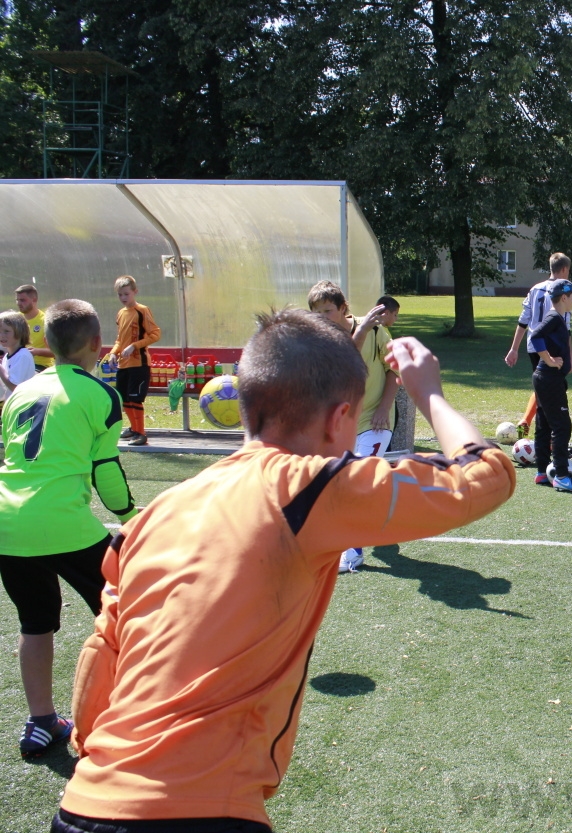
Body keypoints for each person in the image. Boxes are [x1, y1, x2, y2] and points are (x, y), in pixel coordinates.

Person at [54, 310, 514, 833]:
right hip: (198, 810)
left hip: (84, 803)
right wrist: (428, 392)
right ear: (340, 417)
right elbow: (487, 476)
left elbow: (103, 649)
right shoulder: (311, 487)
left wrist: (91, 755)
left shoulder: (160, 510)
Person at [0, 300, 138, 759]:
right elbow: (107, 472)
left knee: (35, 625)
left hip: (9, 527)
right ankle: (131, 715)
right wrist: (132, 520)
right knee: (128, 614)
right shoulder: (100, 394)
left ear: (46, 344)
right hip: (65, 525)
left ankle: (41, 722)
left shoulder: (21, 391)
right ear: (98, 345)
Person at [307, 282, 401, 573]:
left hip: (375, 420)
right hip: (341, 424)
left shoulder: (375, 329)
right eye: (317, 312)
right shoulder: (321, 339)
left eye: (328, 311)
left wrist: (385, 407)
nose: (322, 317)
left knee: (354, 482)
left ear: (343, 307)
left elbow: (394, 371)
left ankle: (353, 553)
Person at [503, 253, 572, 437]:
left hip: (533, 347)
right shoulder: (563, 293)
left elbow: (523, 321)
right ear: (564, 269)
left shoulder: (535, 289)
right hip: (552, 348)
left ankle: (528, 422)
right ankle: (549, 436)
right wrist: (570, 356)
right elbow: (566, 328)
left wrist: (514, 348)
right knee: (553, 392)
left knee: (542, 388)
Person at [531, 278, 572, 491]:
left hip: (546, 378)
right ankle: (560, 474)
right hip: (549, 379)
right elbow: (536, 335)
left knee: (544, 423)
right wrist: (550, 359)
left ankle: (542, 472)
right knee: (562, 426)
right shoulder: (554, 317)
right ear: (564, 297)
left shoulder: (559, 318)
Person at [105, 276, 161, 447]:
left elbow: (155, 334)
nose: (123, 298)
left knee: (135, 399)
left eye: (126, 294)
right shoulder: (121, 313)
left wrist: (135, 346)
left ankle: (141, 433)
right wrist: (114, 353)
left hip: (139, 364)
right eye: (120, 295)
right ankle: (134, 428)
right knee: (125, 399)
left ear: (135, 292)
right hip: (124, 364)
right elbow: (119, 340)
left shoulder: (142, 311)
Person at [0, 309, 37, 412]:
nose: (1, 335)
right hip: (11, 408)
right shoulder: (8, 356)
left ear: (19, 332)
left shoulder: (23, 355)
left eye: (6, 331)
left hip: (22, 410)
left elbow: (15, 388)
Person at [14, 284, 54, 370]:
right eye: (17, 300)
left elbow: (57, 352)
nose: (19, 303)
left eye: (22, 300)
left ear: (34, 300)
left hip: (40, 366)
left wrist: (36, 351)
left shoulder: (46, 321)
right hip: (17, 364)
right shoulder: (15, 319)